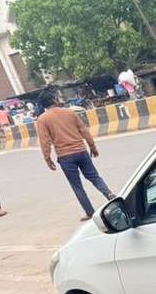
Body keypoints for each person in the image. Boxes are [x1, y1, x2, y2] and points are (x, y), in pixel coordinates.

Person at [36, 89, 114, 221]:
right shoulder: (70, 112)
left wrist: (47, 158)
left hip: (65, 157)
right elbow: (83, 130)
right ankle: (108, 193)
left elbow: (45, 141)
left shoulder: (42, 119)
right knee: (94, 177)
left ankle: (90, 212)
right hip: (81, 151)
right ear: (55, 100)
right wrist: (92, 146)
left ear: (43, 105)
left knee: (77, 186)